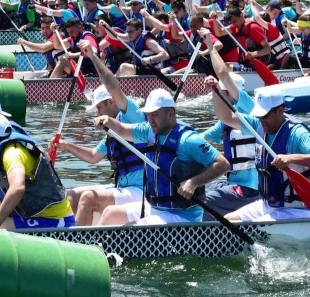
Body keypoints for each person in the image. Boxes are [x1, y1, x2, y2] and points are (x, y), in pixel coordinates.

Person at [93, 89, 231, 225]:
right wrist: (107, 120)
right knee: (110, 213)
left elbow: (223, 164)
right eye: (148, 115)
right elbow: (121, 129)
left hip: (183, 216)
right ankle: (95, 247)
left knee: (136, 229)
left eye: (155, 114)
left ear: (170, 114)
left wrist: (193, 183)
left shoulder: (188, 140)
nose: (150, 120)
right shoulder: (148, 131)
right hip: (155, 208)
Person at [52, 42, 146, 226]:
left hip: (142, 189)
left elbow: (114, 87)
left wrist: (93, 57)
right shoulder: (111, 132)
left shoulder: (131, 116)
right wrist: (65, 145)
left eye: (99, 107)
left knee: (88, 198)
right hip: (124, 188)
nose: (97, 113)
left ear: (111, 102)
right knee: (74, 194)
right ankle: (64, 240)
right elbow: (94, 156)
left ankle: (80, 249)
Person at [223, 87, 310, 222]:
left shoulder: (297, 133)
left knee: (256, 226)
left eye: (265, 115)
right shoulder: (259, 126)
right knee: (228, 220)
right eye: (259, 115)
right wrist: (217, 92)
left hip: (296, 209)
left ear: (280, 111)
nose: (261, 119)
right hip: (269, 204)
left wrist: (290, 158)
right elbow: (225, 117)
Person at [199, 34, 262, 216]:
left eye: (225, 92)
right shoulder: (226, 122)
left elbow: (223, 74)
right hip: (233, 183)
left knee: (203, 201)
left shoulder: (250, 109)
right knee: (196, 187)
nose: (222, 95)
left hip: (251, 188)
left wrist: (210, 44)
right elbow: (201, 139)